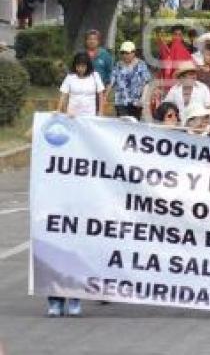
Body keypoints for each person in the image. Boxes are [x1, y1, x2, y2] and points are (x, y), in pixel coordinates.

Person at [52, 52, 105, 316]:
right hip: (72, 118)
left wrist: (101, 114)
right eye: (79, 65)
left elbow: (100, 95)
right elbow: (62, 98)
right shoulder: (70, 79)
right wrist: (60, 113)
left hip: (90, 119)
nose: (82, 68)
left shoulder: (95, 77)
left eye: (85, 64)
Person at [108, 41, 151, 120]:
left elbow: (146, 83)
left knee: (134, 124)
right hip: (121, 101)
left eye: (127, 53)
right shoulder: (118, 65)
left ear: (133, 53)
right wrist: (105, 96)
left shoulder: (141, 65)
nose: (125, 55)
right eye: (123, 52)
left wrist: (143, 99)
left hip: (136, 102)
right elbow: (111, 82)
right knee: (123, 123)